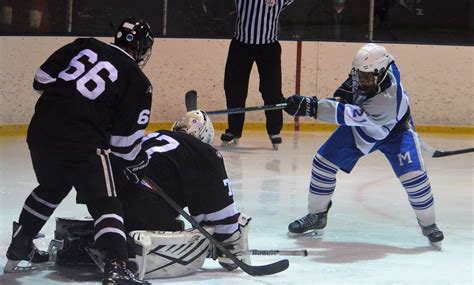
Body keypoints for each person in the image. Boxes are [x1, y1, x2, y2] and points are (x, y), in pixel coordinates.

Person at [4, 17, 154, 285]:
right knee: (106, 201)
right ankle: (117, 267)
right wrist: (132, 161)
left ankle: (20, 245)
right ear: (142, 48)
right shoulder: (138, 80)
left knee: (52, 186)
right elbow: (124, 145)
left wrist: (72, 102)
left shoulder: (84, 44)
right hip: (83, 138)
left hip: (41, 129)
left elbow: (41, 80)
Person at [49, 110, 251, 279]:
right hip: (141, 205)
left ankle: (91, 240)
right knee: (175, 227)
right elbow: (218, 208)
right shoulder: (205, 152)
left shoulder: (152, 137)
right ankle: (129, 252)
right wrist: (229, 242)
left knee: (146, 208)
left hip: (103, 199)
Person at [283, 43, 444, 249]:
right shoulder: (379, 66)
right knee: (323, 163)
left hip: (396, 132)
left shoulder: (387, 100)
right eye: (360, 75)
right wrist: (337, 98)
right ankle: (317, 215)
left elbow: (346, 114)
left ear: (383, 73)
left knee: (414, 178)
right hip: (364, 128)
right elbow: (348, 94)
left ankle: (429, 224)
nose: (362, 80)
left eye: (368, 77)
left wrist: (312, 107)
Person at [221, 0, 295, 150]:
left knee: (272, 91)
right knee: (234, 89)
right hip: (241, 45)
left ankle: (274, 131)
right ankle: (234, 130)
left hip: (269, 47)